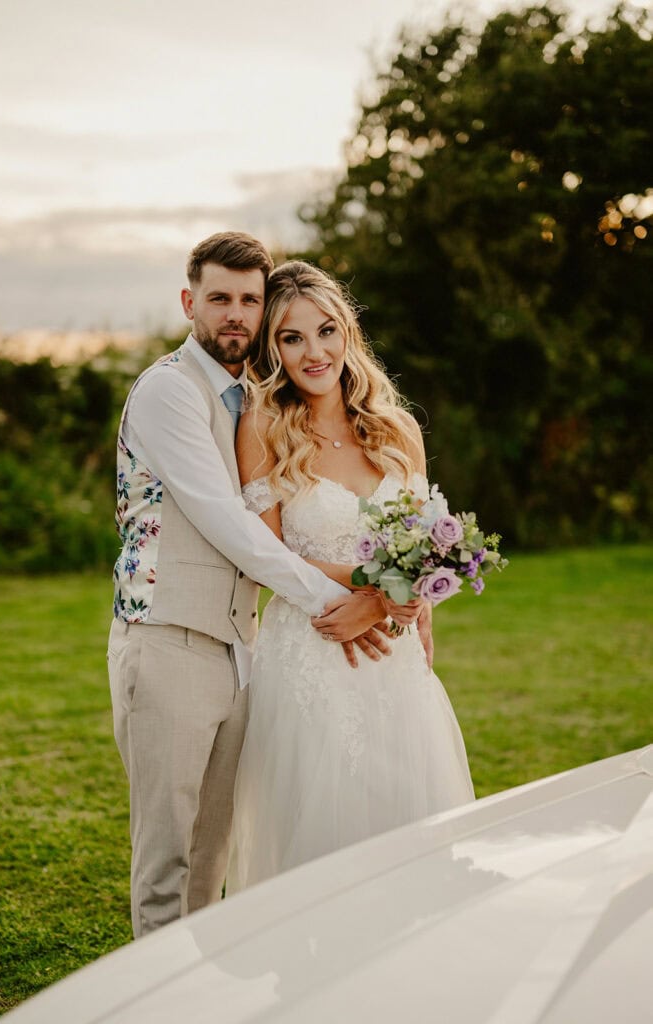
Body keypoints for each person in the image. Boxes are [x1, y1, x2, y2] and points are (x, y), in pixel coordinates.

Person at [107, 233, 401, 937]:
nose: (235, 315)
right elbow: (230, 528)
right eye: (219, 299)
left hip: (239, 651)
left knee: (212, 855)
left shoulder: (251, 402)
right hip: (169, 639)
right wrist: (348, 600)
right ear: (190, 303)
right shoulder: (170, 392)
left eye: (249, 300)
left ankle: (195, 998)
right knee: (167, 860)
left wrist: (391, 598)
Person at [226, 261, 474, 891]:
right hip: (313, 652)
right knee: (320, 850)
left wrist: (411, 611)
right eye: (292, 337)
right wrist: (373, 593)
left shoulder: (397, 429)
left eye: (327, 331)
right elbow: (266, 555)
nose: (315, 352)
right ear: (271, 349)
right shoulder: (263, 428)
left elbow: (423, 549)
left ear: (348, 333)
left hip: (396, 659)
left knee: (407, 843)